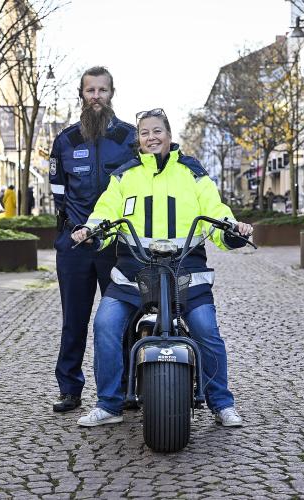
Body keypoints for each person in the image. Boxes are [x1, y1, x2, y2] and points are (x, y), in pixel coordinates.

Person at [71, 107, 253, 428]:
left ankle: (221, 403)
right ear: (138, 139)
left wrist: (232, 229)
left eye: (158, 131)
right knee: (105, 324)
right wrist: (91, 231)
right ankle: (110, 405)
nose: (151, 137)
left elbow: (215, 210)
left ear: (169, 135)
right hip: (133, 274)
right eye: (145, 133)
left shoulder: (193, 173)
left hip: (186, 272)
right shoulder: (124, 175)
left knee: (206, 330)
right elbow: (106, 212)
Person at [49, 66, 137, 413]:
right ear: (81, 94)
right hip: (75, 245)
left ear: (112, 93)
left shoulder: (129, 139)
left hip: (116, 245)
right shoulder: (65, 141)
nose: (96, 96)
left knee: (121, 318)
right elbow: (58, 193)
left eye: (102, 90)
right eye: (90, 90)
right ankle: (69, 389)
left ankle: (127, 388)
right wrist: (70, 229)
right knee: (74, 319)